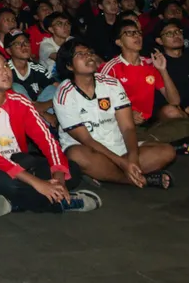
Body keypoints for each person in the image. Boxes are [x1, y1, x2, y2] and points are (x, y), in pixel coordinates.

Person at [0, 51, 98, 216]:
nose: (4, 71)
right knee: (1, 180)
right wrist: (37, 183)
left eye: (5, 65)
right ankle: (58, 203)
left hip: (15, 163)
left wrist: (59, 178)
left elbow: (46, 139)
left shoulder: (20, 101)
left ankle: (14, 202)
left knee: (72, 170)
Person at [51, 45, 177, 190]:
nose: (89, 56)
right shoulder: (64, 94)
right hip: (90, 151)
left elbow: (128, 127)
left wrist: (133, 158)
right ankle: (136, 179)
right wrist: (123, 163)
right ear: (69, 66)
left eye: (90, 52)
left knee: (168, 151)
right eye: (80, 54)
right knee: (76, 155)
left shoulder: (111, 83)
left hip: (119, 147)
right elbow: (86, 140)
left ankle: (107, 174)